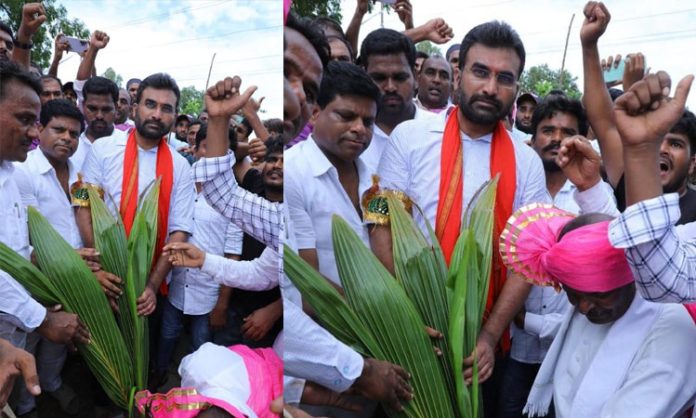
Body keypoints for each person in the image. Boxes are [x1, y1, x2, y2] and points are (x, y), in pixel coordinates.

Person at [371, 20, 549, 417]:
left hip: (482, 344)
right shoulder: (410, 137)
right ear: (459, 74)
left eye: (505, 78)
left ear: (517, 87)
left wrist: (488, 334)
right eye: (480, 72)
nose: (490, 87)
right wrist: (404, 313)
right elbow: (379, 217)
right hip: (413, 327)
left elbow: (528, 259)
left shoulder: (527, 162)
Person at [499, 207, 696, 418]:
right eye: (572, 295)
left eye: (598, 296)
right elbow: (574, 334)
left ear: (630, 278)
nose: (583, 308)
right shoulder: (599, 304)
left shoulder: (673, 331)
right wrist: (528, 321)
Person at [499, 94, 612, 418]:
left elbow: (613, 248)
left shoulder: (592, 195)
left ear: (585, 138)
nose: (558, 139)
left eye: (568, 131)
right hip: (511, 350)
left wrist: (529, 321)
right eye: (548, 130)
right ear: (532, 139)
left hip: (568, 352)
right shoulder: (513, 186)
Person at [0, 59, 90, 416]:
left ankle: (47, 392)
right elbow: (30, 248)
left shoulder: (79, 174)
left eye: (74, 134)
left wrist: (92, 259)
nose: (62, 138)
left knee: (47, 357)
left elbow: (85, 216)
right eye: (56, 129)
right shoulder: (26, 172)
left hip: (51, 287)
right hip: (42, 285)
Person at [76, 72, 195, 316]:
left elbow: (179, 230)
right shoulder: (103, 148)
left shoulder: (180, 165)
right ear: (134, 108)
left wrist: (151, 285)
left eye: (166, 108)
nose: (157, 114)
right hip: (101, 275)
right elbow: (82, 203)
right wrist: (99, 268)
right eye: (150, 104)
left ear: (174, 116)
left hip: (150, 284)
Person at [580, 1, 696, 217]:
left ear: (692, 163)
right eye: (656, 141)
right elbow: (603, 123)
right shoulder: (628, 182)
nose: (662, 149)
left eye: (676, 143)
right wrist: (589, 45)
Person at [153, 123, 243, 389]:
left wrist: (222, 304)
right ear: (195, 148)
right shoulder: (178, 182)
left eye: (222, 150)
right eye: (208, 147)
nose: (214, 155)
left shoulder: (235, 199)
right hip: (174, 283)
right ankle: (158, 375)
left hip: (208, 292)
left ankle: (193, 392)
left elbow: (232, 256)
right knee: (167, 335)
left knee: (200, 344)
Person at [358, 28, 433, 170]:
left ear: (416, 78)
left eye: (399, 77)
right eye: (379, 78)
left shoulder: (440, 131)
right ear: (364, 78)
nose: (390, 87)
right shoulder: (351, 138)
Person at [70, 76, 119, 172]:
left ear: (116, 108)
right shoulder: (71, 147)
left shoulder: (127, 145)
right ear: (83, 106)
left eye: (106, 109)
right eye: (92, 109)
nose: (99, 116)